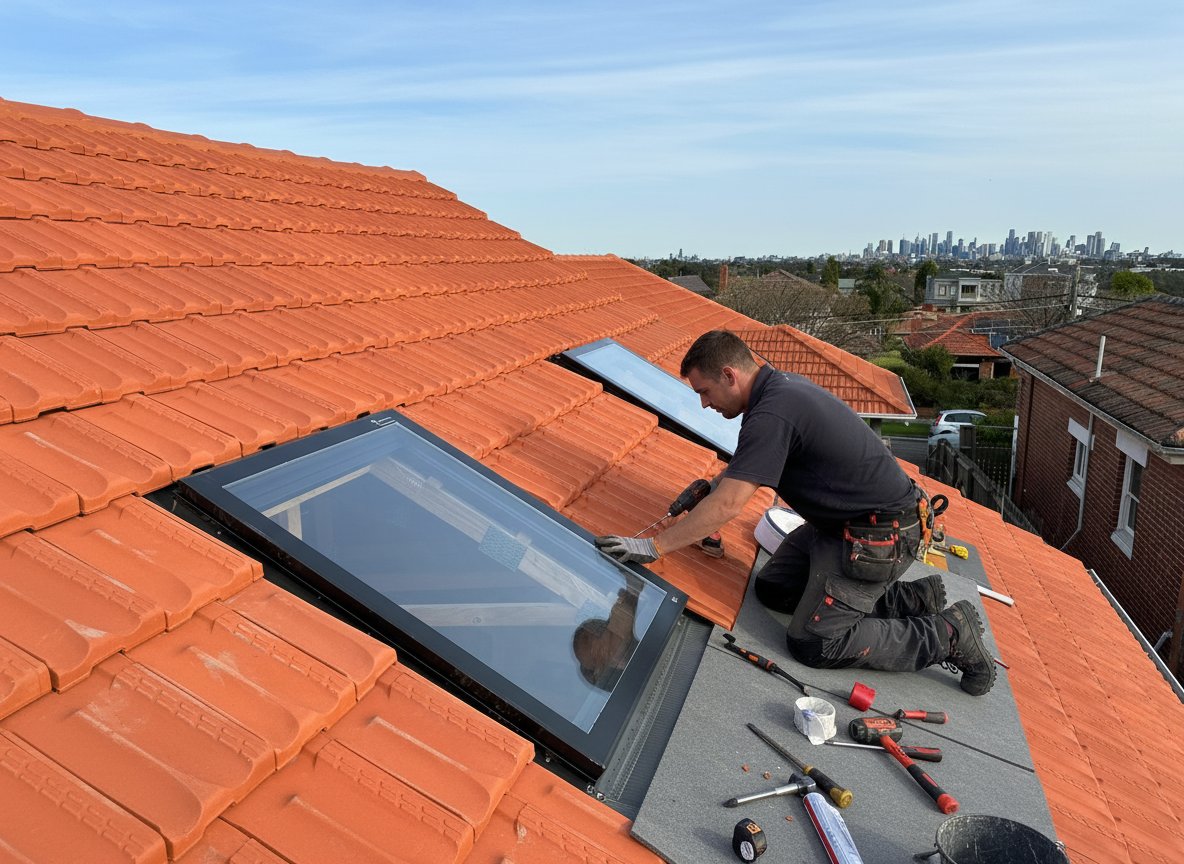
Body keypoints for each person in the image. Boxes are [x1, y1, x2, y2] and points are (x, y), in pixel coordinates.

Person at [595, 330, 995, 696]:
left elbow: (732, 504)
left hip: (880, 538)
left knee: (814, 643)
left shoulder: (771, 413)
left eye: (705, 391)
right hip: (840, 527)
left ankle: (949, 633)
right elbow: (736, 478)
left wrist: (655, 546)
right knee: (775, 590)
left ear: (730, 375)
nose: (704, 404)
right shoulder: (775, 392)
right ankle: (910, 599)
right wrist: (709, 489)